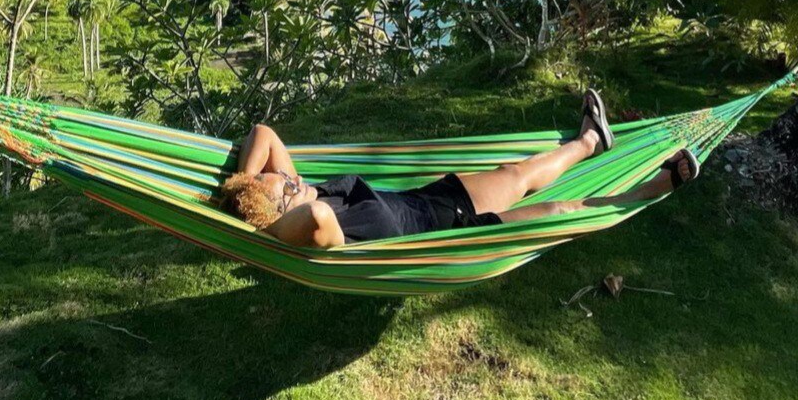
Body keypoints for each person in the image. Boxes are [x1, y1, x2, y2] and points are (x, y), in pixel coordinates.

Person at [220, 90, 699, 247]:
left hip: (428, 200)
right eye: (286, 184)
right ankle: (651, 189)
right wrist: (274, 218)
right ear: (279, 214)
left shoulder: (301, 192)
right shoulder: (313, 228)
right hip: (452, 238)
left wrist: (246, 183)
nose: (293, 177)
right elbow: (316, 219)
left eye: (286, 175)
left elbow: (263, 133)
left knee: (517, 173)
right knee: (559, 209)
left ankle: (590, 140)